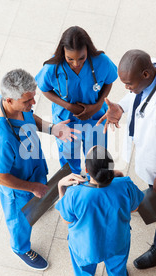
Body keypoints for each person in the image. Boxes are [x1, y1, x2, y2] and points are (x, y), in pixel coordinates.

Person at [97, 49, 156, 269]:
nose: (126, 88)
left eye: (129, 83)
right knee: (155, 191)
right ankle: (150, 202)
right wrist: (121, 107)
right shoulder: (154, 67)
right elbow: (137, 96)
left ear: (146, 75)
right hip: (150, 147)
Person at [0, 69, 79, 270]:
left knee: (38, 195)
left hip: (32, 166)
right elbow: (0, 177)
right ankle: (20, 247)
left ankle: (37, 202)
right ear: (9, 100)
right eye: (27, 101)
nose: (33, 103)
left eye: (32, 98)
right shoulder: (1, 138)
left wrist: (52, 128)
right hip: (18, 186)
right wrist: (31, 188)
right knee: (20, 220)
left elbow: (29, 116)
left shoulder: (14, 105)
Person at [55, 145, 144, 276]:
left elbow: (66, 219)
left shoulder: (75, 194)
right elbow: (135, 207)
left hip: (85, 247)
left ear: (87, 171)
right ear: (111, 167)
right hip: (117, 242)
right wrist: (120, 177)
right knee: (118, 270)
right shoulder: (125, 184)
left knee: (83, 273)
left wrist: (60, 186)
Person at [35, 26, 118, 174]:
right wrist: (68, 106)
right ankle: (72, 183)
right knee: (68, 158)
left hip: (95, 118)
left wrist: (97, 105)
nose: (76, 63)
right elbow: (44, 88)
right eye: (70, 59)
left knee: (97, 158)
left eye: (81, 58)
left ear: (88, 50)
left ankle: (94, 183)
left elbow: (108, 81)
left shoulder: (101, 61)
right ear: (63, 52)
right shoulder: (52, 68)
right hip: (66, 120)